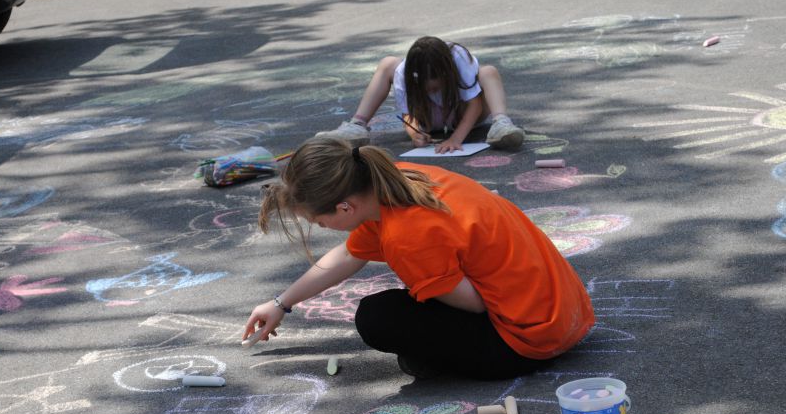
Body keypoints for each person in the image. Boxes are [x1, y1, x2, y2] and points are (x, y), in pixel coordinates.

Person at [243, 137, 594, 379]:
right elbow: (350, 255)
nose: (323, 227)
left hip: (529, 342)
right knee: (414, 303)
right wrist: (282, 303)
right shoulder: (400, 179)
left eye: (319, 222)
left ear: (344, 207)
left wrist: (424, 285)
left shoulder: (406, 238)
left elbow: (475, 306)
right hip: (566, 314)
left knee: (378, 317)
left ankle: (455, 363)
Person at [316, 36, 525, 153]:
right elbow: (408, 115)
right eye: (425, 88)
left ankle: (501, 124)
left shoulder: (460, 58)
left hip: (462, 114)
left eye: (435, 88)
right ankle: (356, 126)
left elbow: (475, 104)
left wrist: (455, 139)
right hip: (429, 119)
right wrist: (415, 133)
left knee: (488, 71)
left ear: (446, 73)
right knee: (388, 62)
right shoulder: (404, 72)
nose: (431, 92)